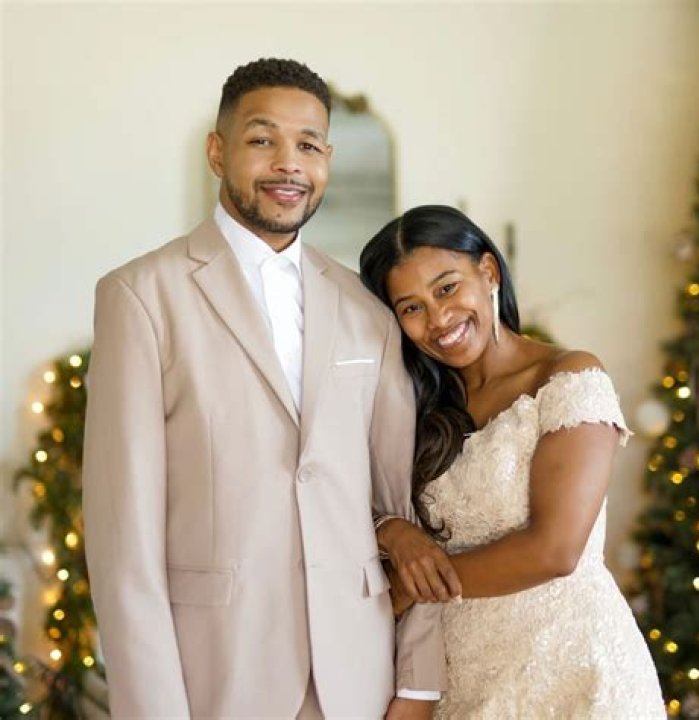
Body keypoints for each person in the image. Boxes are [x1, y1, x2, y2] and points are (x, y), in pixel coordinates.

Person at [82, 59, 451, 719]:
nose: (288, 163)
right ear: (217, 152)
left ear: (327, 161)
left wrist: (418, 684)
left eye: (308, 145)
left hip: (358, 681)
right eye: (262, 139)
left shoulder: (367, 309)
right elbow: (124, 546)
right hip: (218, 678)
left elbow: (404, 504)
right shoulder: (140, 297)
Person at [360, 205, 666, 718]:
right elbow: (361, 500)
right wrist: (392, 531)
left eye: (446, 288)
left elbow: (555, 550)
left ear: (488, 271)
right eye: (411, 307)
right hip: (464, 685)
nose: (438, 319)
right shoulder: (417, 409)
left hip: (573, 674)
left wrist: (411, 586)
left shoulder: (568, 378)